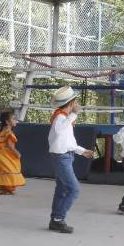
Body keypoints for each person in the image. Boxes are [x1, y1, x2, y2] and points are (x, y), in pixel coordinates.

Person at [48, 86, 94, 233]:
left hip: (64, 156)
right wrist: (74, 114)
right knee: (74, 189)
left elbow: (67, 142)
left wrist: (81, 151)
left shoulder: (62, 117)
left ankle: (55, 219)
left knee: (62, 189)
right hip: (62, 158)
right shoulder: (61, 117)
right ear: (71, 103)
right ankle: (58, 219)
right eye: (75, 102)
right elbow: (60, 131)